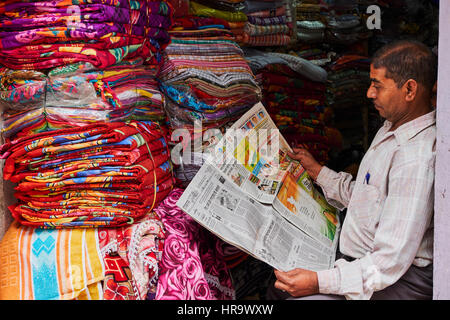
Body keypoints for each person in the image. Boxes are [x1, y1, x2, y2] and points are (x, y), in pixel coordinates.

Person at [267, 40, 437, 300]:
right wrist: (318, 171)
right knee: (278, 282)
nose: (369, 93)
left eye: (377, 85)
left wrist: (317, 282)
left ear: (410, 89)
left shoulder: (415, 158)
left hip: (394, 280)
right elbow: (368, 197)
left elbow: (387, 263)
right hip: (364, 262)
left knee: (295, 295)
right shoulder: (391, 127)